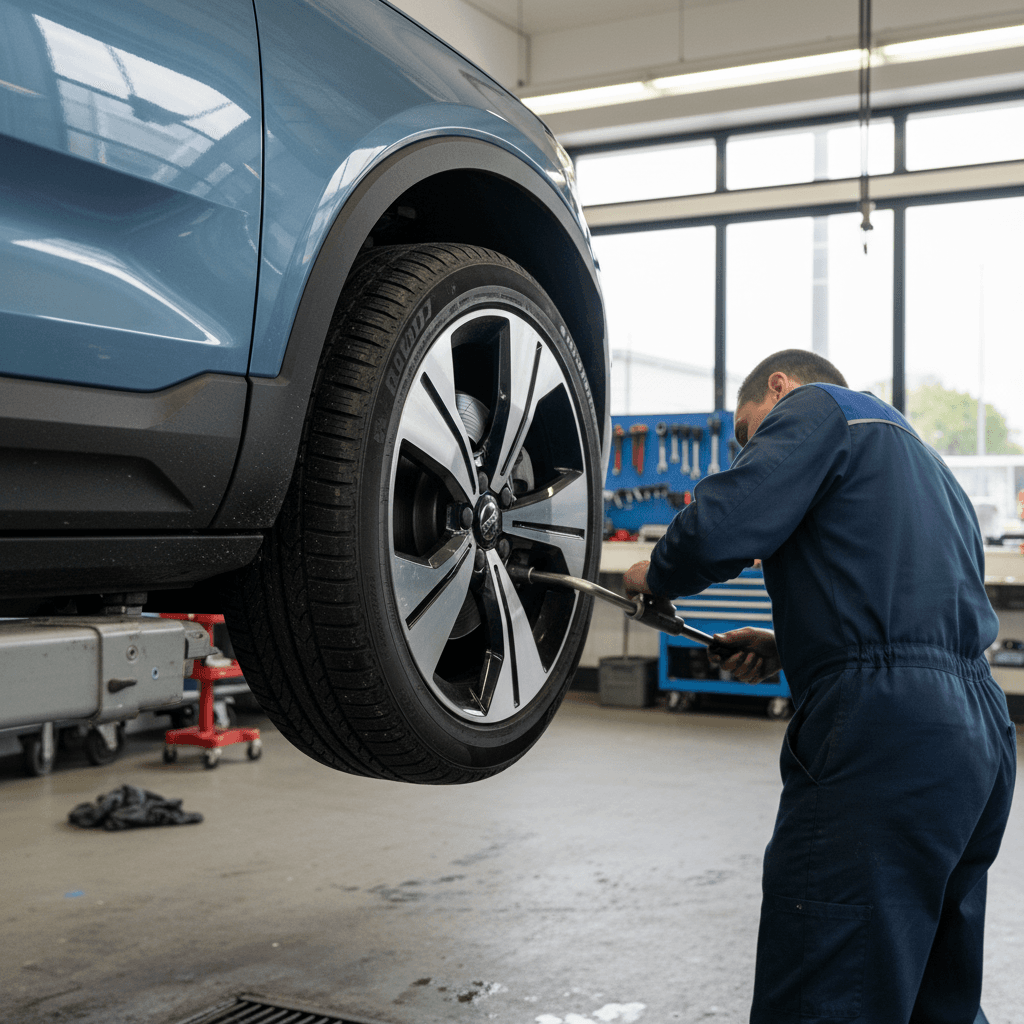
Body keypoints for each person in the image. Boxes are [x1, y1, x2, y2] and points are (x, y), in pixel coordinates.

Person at [623, 350, 1015, 1024]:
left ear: (778, 387)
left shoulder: (816, 408)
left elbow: (723, 523)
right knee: (934, 993)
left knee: (828, 986)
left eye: (749, 434)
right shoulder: (923, 460)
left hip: (885, 735)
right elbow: (914, 609)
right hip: (976, 737)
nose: (752, 450)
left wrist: (652, 574)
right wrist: (788, 648)